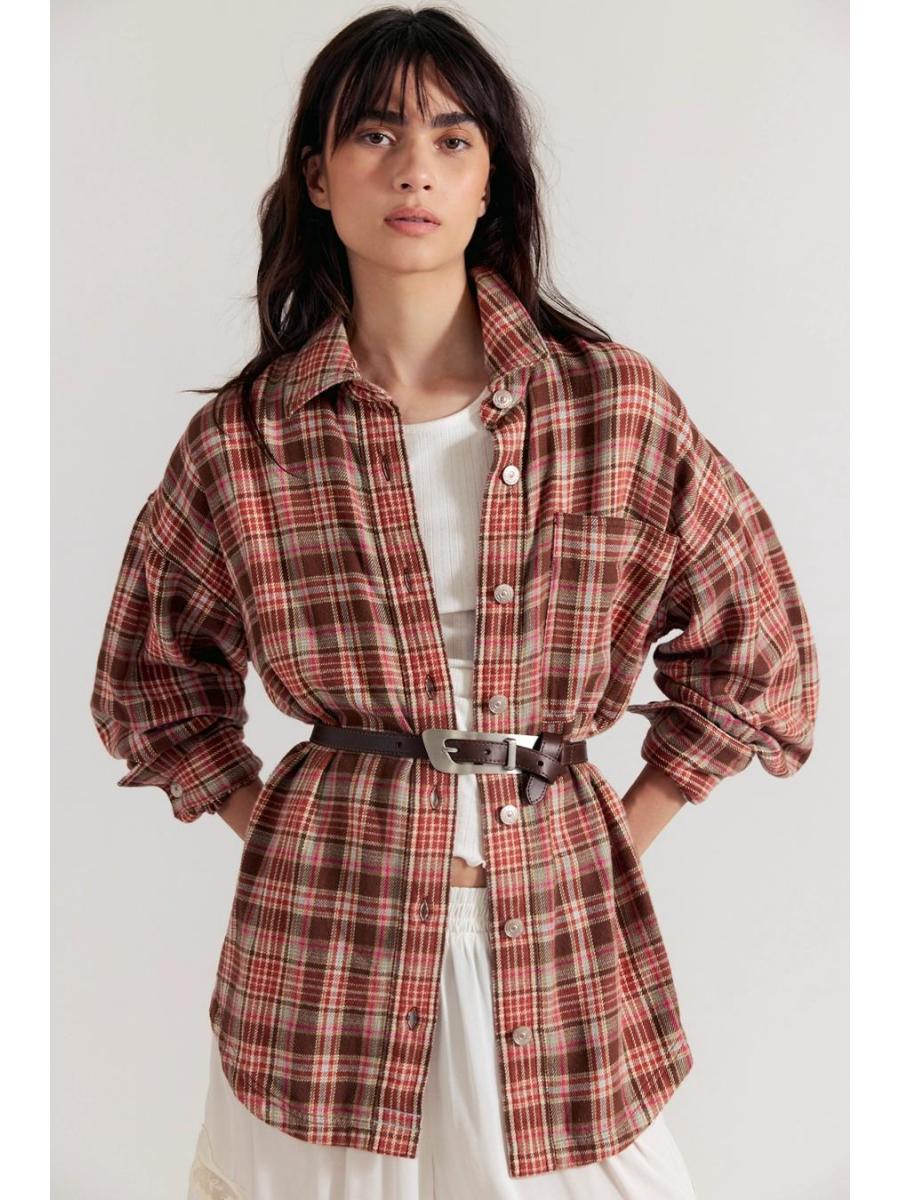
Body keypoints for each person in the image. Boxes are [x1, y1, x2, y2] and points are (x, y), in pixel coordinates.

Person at [89, 7, 819, 1199]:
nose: (414, 169)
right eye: (375, 134)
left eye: (452, 139)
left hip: (556, 940)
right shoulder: (248, 439)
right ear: (318, 177)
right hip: (324, 968)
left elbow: (760, 645)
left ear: (492, 185)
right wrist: (279, 830)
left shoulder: (612, 406)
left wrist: (614, 836)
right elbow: (148, 682)